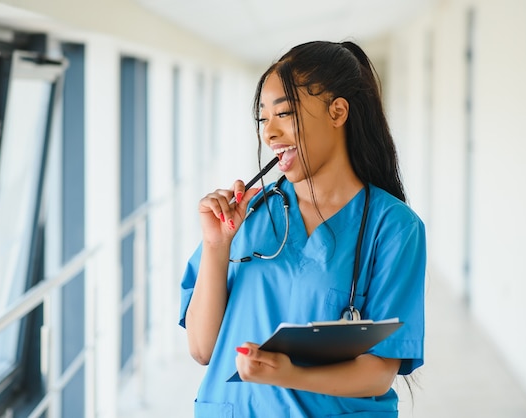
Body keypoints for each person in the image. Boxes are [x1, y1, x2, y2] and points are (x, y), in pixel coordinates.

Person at [179, 40, 426, 417]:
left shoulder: (392, 227)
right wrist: (216, 245)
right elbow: (202, 349)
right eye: (263, 119)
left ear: (338, 111)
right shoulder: (250, 216)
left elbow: (378, 372)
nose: (269, 134)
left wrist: (290, 374)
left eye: (285, 114)